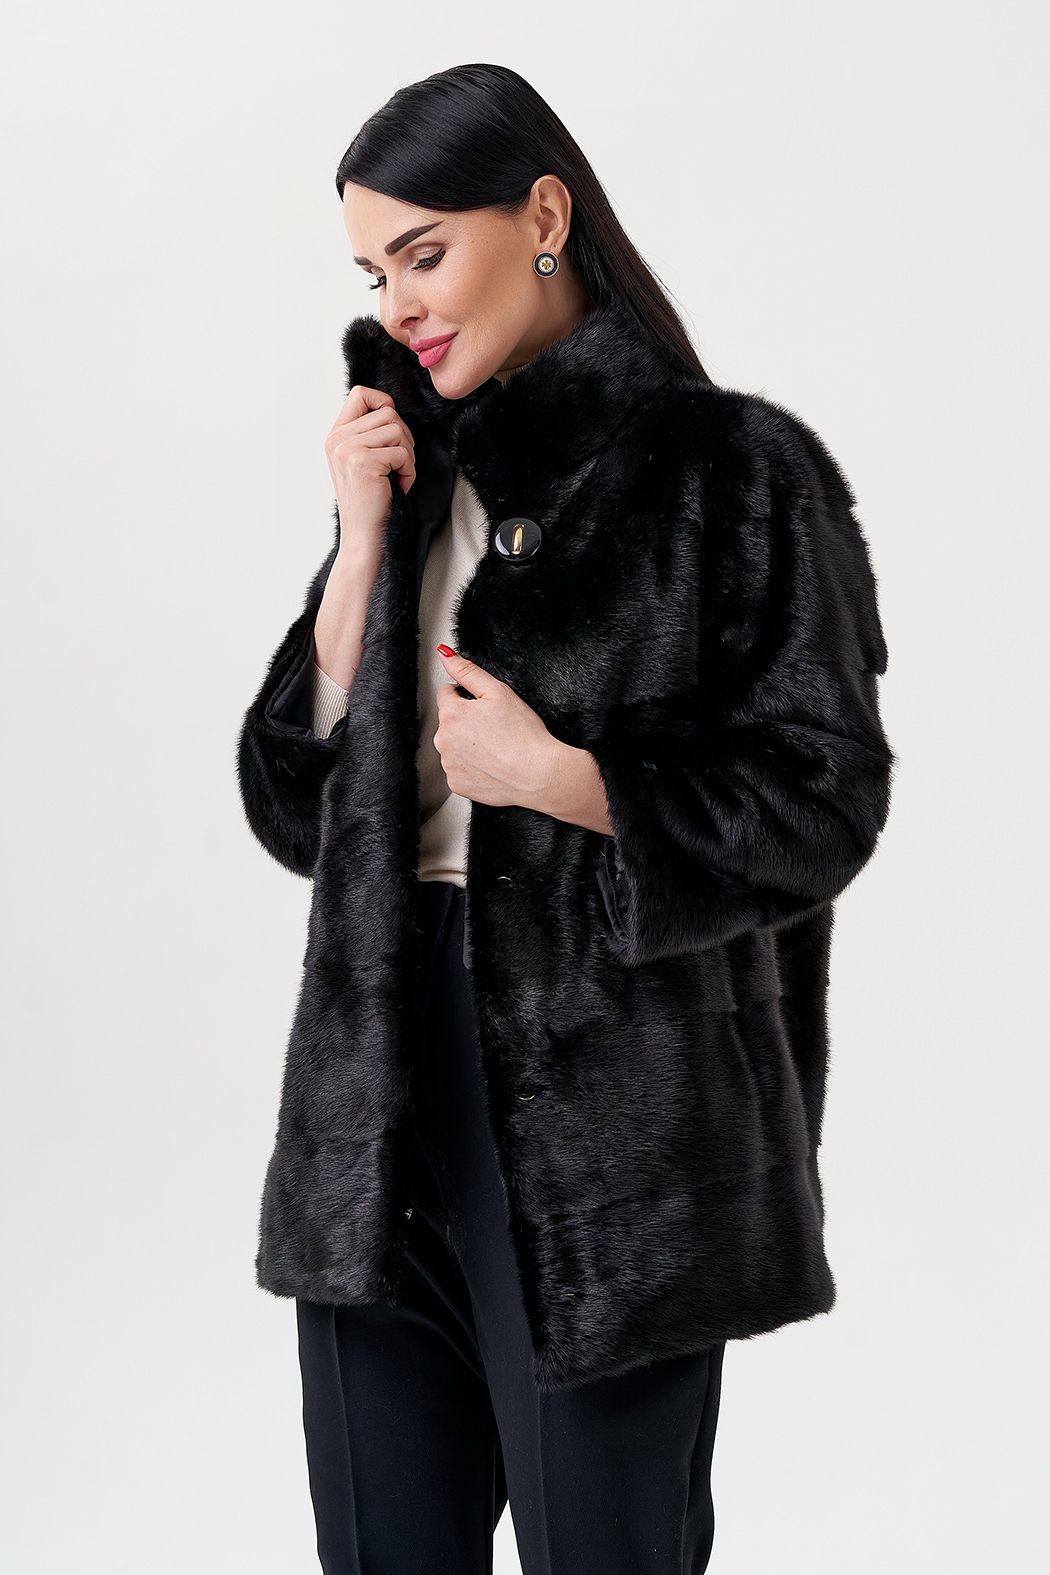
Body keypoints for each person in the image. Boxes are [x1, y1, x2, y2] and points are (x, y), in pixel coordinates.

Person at [236, 61, 892, 1575]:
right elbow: (295, 812)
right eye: (373, 273)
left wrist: (568, 782)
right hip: (373, 1104)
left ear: (543, 215)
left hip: (616, 1135)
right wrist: (357, 552)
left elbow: (824, 800)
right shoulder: (412, 480)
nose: (401, 304)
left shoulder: (731, 469)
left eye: (423, 253)